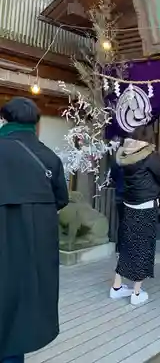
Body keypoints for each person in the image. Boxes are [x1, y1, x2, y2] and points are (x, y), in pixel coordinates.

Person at [0, 97, 69, 363]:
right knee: (19, 313)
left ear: (5, 120)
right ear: (35, 124)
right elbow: (60, 200)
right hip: (30, 248)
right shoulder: (48, 158)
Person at [110, 125, 160, 305]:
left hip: (129, 203)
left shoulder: (125, 153)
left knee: (127, 245)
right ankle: (137, 292)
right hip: (146, 206)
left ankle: (117, 287)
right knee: (144, 247)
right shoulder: (150, 155)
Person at [110, 138, 125, 253]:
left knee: (122, 222)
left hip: (119, 194)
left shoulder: (117, 159)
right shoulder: (133, 158)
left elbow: (113, 176)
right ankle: (126, 247)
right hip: (129, 195)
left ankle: (119, 247)